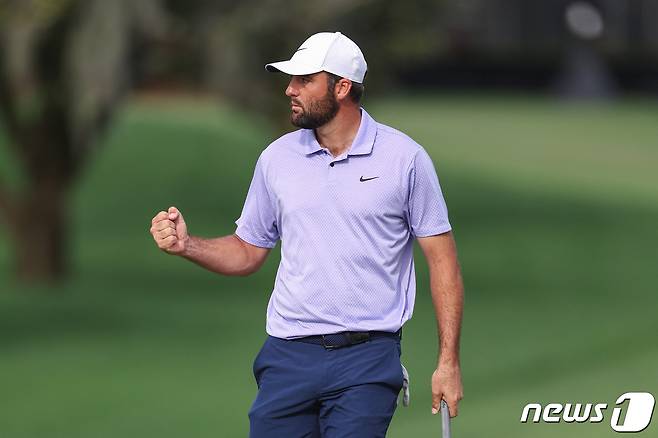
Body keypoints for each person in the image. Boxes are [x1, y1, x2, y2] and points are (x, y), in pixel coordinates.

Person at [150, 31, 464, 437]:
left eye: (303, 80)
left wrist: (448, 362)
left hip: (366, 359)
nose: (289, 90)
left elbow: (444, 264)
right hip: (287, 357)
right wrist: (187, 245)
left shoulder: (405, 159)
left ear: (342, 87)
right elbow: (248, 251)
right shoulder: (277, 158)